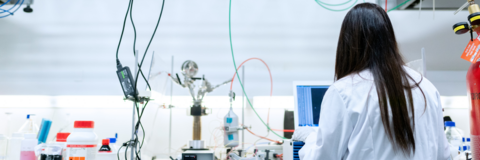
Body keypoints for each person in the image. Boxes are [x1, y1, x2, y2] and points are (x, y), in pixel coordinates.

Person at [297, 3, 450, 160]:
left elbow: (322, 157)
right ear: (389, 39)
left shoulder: (343, 92)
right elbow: (444, 155)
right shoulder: (425, 87)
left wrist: (310, 139)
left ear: (347, 45)